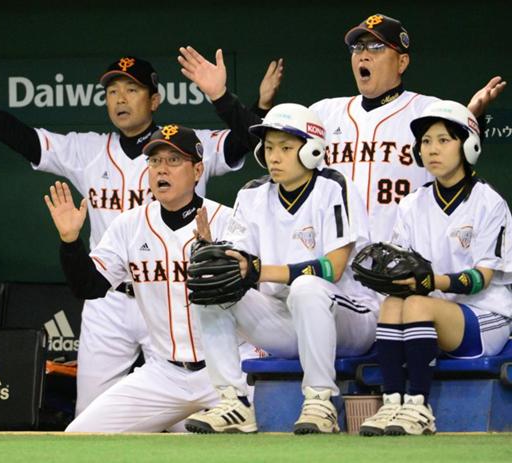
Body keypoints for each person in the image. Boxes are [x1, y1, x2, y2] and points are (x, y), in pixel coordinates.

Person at [0, 55, 280, 416]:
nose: (120, 98)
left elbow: (253, 141)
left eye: (131, 89)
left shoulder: (185, 146)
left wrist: (229, 99)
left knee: (191, 418)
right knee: (91, 415)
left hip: (171, 293)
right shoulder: (88, 150)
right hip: (110, 299)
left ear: (154, 100)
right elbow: (26, 140)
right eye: (111, 91)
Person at [178, 13, 506, 243]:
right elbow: (269, 143)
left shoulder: (427, 113)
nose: (363, 55)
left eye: (376, 47)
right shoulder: (325, 112)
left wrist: (469, 118)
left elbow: (459, 163)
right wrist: (222, 97)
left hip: (406, 259)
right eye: (357, 48)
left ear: (402, 62)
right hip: (338, 266)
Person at [184, 104, 379, 434]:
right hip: (284, 321)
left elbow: (333, 268)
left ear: (312, 150)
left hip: (349, 318)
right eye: (270, 148)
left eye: (286, 148)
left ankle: (320, 400)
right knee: (212, 288)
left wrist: (258, 271)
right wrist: (213, 254)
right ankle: (234, 401)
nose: (274, 157)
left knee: (307, 287)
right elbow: (239, 263)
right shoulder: (252, 194)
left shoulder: (333, 186)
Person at [45, 125, 239, 432]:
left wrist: (214, 259)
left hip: (228, 369)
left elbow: (249, 292)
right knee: (81, 435)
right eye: (154, 161)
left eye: (174, 160)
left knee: (268, 437)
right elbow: (89, 287)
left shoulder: (228, 221)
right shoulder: (130, 225)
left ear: (198, 170)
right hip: (165, 375)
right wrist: (70, 243)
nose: (162, 169)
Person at [358, 101, 512, 436]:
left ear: (468, 146)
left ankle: (419, 406)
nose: (432, 149)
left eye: (444, 140)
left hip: (486, 314)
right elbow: (401, 265)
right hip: (431, 313)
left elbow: (480, 278)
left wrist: (430, 281)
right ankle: (392, 401)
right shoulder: (412, 203)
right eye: (426, 141)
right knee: (393, 303)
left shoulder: (489, 202)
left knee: (417, 303)